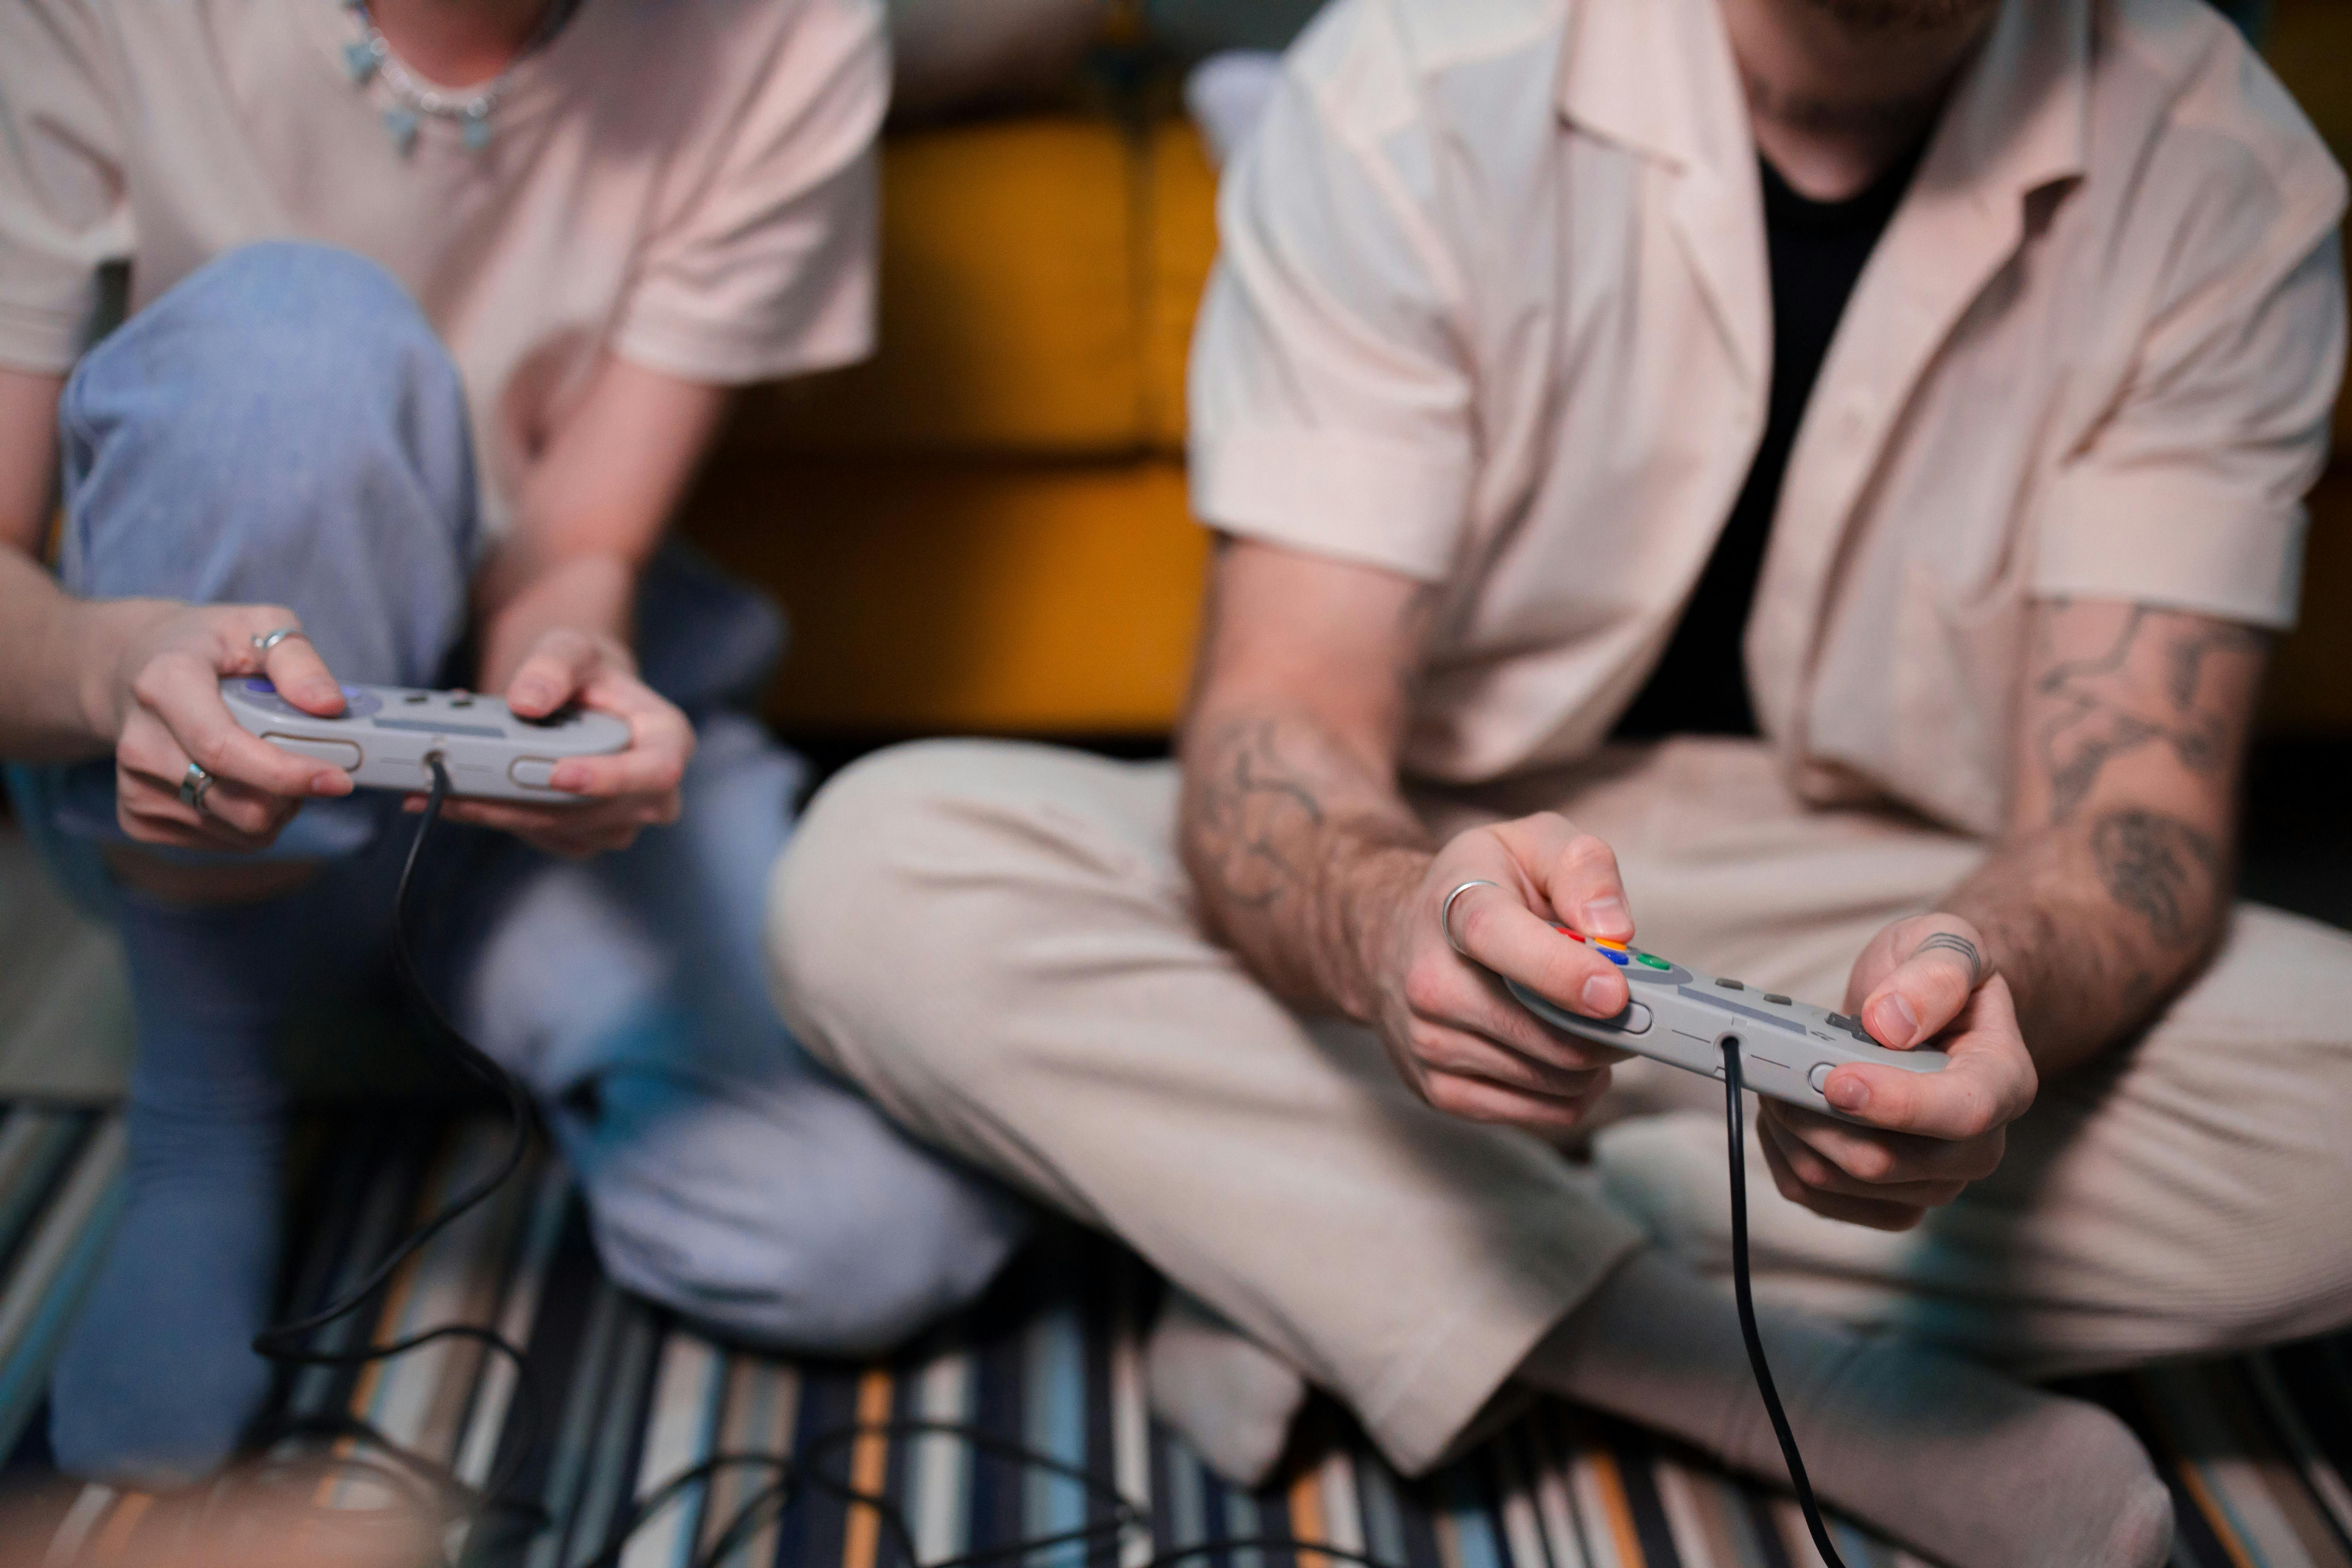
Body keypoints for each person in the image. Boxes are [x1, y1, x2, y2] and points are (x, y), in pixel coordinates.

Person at [764, 0, 2352, 1561]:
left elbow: (2132, 824)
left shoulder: (2220, 166)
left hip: (1885, 890)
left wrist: (1978, 984)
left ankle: (1315, 1230)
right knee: (881, 870)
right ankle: (1726, 1370)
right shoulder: (1415, 77)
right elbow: (1281, 724)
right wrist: (1396, 926)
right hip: (1457, 841)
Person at [0, 0, 1028, 1487]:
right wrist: (117, 672)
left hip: (475, 754)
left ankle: (439, 975)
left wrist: (578, 669)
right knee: (296, 345)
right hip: (163, 750)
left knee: (873, 1232)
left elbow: (577, 547)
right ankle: (205, 1087)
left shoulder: (792, 30)